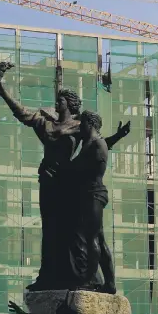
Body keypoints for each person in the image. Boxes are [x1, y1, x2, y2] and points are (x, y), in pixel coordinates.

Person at [0, 63, 130, 293]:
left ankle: (83, 276)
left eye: (61, 101)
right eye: (57, 101)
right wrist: (1, 86)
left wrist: (118, 135)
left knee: (71, 231)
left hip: (70, 183)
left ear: (70, 104)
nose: (57, 104)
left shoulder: (80, 126)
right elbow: (21, 112)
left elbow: (99, 144)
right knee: (50, 230)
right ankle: (46, 277)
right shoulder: (45, 123)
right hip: (48, 180)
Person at [60, 110, 112, 289]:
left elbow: (84, 168)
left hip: (94, 194)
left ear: (89, 124)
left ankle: (89, 280)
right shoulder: (90, 143)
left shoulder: (97, 144)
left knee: (92, 239)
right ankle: (110, 283)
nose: (80, 127)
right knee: (99, 238)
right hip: (90, 195)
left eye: (82, 124)